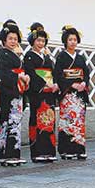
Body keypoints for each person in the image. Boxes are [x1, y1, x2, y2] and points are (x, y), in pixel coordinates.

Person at [0, 19, 29, 166]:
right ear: (4, 39)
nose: (13, 41)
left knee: (16, 123)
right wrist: (18, 76)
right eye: (10, 38)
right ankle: (6, 153)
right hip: (8, 93)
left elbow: (22, 71)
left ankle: (13, 153)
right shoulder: (2, 54)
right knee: (8, 122)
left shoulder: (15, 55)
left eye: (15, 39)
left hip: (17, 92)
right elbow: (2, 74)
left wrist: (26, 76)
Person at [24, 23, 58, 163]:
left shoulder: (47, 56)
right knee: (38, 121)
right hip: (38, 93)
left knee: (49, 121)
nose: (41, 43)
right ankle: (37, 152)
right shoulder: (29, 56)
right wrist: (44, 85)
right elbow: (31, 73)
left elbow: (53, 72)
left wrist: (55, 84)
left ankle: (49, 151)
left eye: (43, 41)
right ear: (33, 41)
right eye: (38, 40)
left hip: (49, 92)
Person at [54, 25, 89, 160]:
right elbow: (58, 74)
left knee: (79, 121)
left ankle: (79, 148)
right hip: (68, 94)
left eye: (75, 39)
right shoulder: (61, 57)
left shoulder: (80, 58)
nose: (73, 42)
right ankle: (66, 150)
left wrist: (84, 83)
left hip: (79, 94)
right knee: (68, 121)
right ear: (65, 41)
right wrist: (71, 84)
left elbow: (86, 73)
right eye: (70, 39)